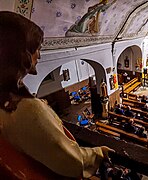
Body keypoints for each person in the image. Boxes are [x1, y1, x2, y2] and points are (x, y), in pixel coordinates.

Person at [0, 12, 113, 178]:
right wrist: (98, 153)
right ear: (20, 53)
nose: (39, 55)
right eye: (36, 48)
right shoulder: (25, 108)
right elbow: (69, 160)